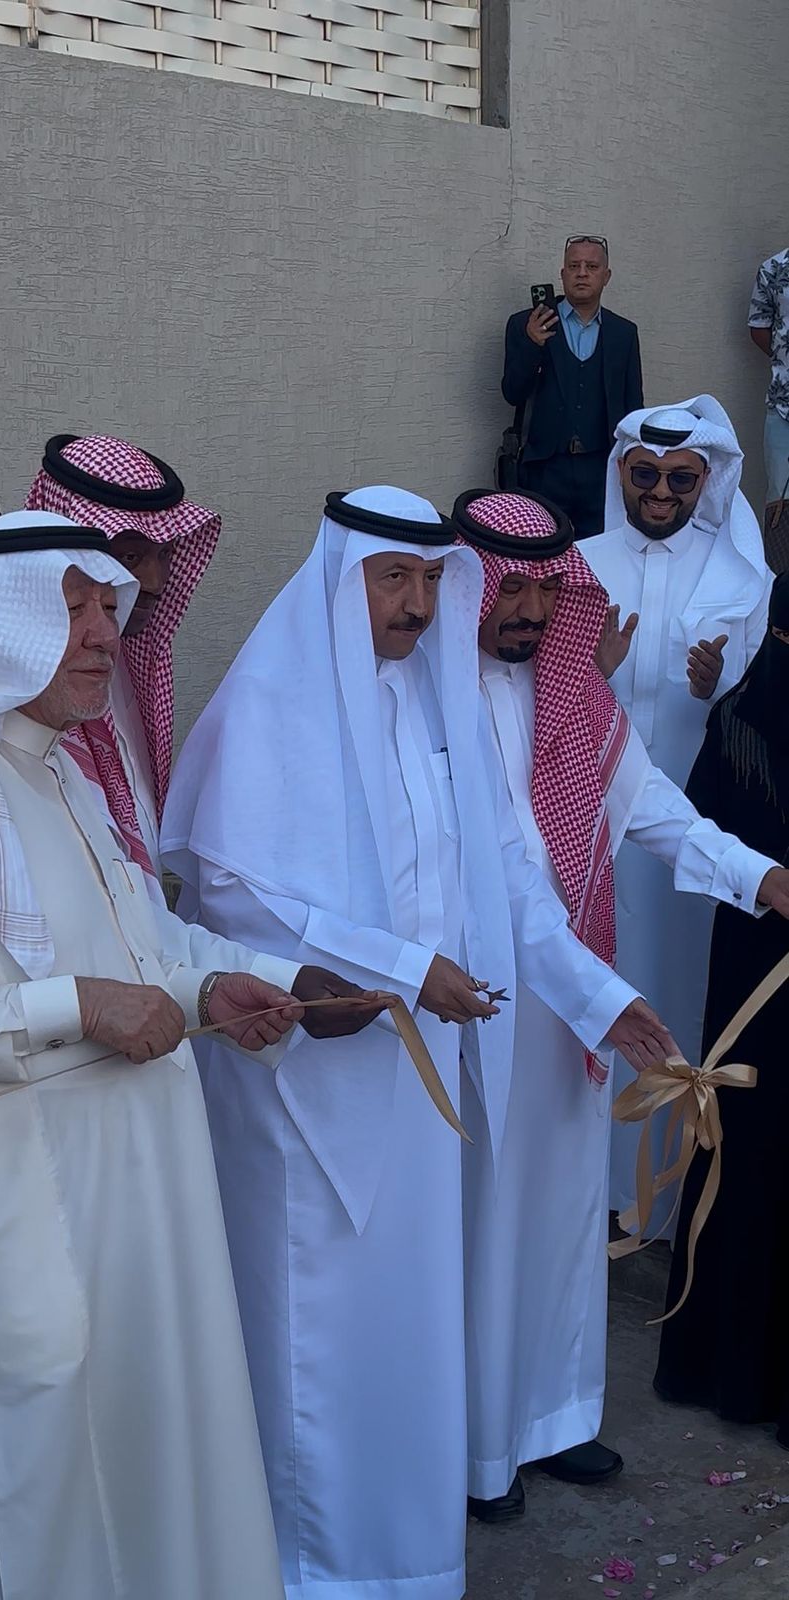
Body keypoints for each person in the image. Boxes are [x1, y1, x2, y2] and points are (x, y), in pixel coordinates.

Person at [160, 484, 676, 1600]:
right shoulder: (267, 708)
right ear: (341, 578)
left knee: (407, 1328)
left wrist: (599, 1000)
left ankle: (402, 1560)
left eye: (431, 578)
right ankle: (305, 1566)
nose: (415, 603)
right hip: (307, 1095)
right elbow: (236, 897)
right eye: (391, 578)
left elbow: (511, 890)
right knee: (316, 1335)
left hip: (420, 1076)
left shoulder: (437, 706)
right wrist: (401, 968)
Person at [0, 509, 386, 1600]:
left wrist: (211, 987)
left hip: (124, 1207)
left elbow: (136, 948)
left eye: (108, 608)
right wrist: (77, 1006)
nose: (103, 634)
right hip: (6, 1212)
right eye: (71, 608)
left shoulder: (65, 777)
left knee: (136, 1469)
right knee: (24, 1500)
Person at [451, 489, 789, 1522]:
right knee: (489, 1218)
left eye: (544, 590)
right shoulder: (434, 697)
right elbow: (505, 877)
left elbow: (648, 807)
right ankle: (477, 1445)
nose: (527, 609)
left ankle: (549, 1419)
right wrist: (603, 995)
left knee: (561, 1208)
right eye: (507, 587)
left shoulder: (563, 686)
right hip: (480, 1002)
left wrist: (762, 877)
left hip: (571, 993)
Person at [583, 396, 772, 1234]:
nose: (660, 493)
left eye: (680, 479)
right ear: (621, 471)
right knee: (595, 998)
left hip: (695, 835)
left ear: (708, 481)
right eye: (645, 474)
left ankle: (666, 1201)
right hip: (588, 829)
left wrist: (717, 689)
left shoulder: (741, 579)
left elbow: (758, 715)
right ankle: (589, 1195)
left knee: (680, 995)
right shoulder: (579, 564)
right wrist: (588, 673)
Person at [655, 574, 789, 1445]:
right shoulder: (742, 714)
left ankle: (725, 1366)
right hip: (756, 978)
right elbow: (698, 833)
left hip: (749, 965)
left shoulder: (741, 709)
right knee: (749, 1148)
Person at [26, 432, 220, 883]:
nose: (155, 582)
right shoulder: (23, 691)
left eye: (165, 554)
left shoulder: (133, 664)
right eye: (130, 557)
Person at [501, 235, 643, 538]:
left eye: (591, 266)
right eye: (574, 266)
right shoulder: (526, 323)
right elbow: (512, 392)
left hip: (601, 468)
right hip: (543, 467)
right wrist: (532, 345)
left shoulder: (623, 333)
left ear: (606, 276)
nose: (582, 273)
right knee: (539, 551)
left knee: (598, 552)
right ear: (562, 274)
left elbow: (633, 406)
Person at [748, 245, 789, 547]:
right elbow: (759, 328)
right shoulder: (774, 268)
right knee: (780, 500)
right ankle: (780, 571)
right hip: (784, 406)